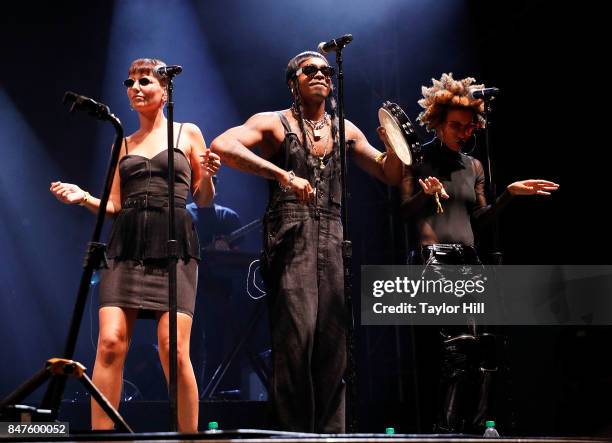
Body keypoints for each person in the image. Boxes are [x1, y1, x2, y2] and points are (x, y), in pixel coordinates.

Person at [210, 51, 403, 433]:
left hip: (332, 236)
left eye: (325, 71)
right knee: (297, 341)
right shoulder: (274, 122)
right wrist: (282, 175)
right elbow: (222, 145)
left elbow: (391, 174)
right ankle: (291, 436)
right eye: (309, 70)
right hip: (290, 233)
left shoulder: (345, 128)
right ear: (292, 81)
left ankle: (333, 436)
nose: (320, 75)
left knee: (334, 346)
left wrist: (396, 145)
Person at [49, 58, 221, 432]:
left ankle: (188, 439)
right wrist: (83, 197)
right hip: (126, 244)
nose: (135, 88)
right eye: (129, 82)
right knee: (110, 343)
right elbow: (113, 205)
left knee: (173, 350)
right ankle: (103, 438)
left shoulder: (187, 133)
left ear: (165, 90)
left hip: (174, 241)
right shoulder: (122, 144)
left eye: (144, 81)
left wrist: (206, 176)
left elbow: (204, 199)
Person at [400, 72, 559, 433]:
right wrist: (426, 194)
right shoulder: (416, 159)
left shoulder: (474, 166)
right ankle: (447, 428)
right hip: (434, 259)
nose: (465, 132)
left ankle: (480, 427)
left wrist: (509, 195)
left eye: (470, 126)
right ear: (437, 122)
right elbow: (402, 213)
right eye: (457, 126)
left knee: (487, 348)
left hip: (470, 259)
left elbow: (481, 219)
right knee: (458, 347)